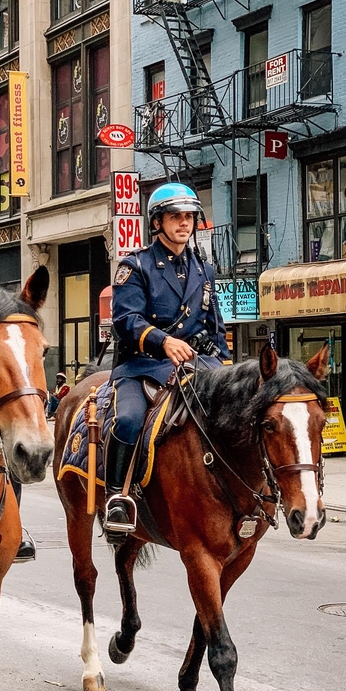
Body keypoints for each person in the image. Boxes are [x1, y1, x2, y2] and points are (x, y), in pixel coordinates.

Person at [104, 182, 230, 538]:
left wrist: (225, 364)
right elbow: (126, 320)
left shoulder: (205, 270)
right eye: (175, 216)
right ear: (157, 222)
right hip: (143, 365)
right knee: (127, 420)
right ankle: (117, 497)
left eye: (189, 216)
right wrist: (163, 341)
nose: (184, 224)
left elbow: (214, 325)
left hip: (196, 364)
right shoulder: (136, 265)